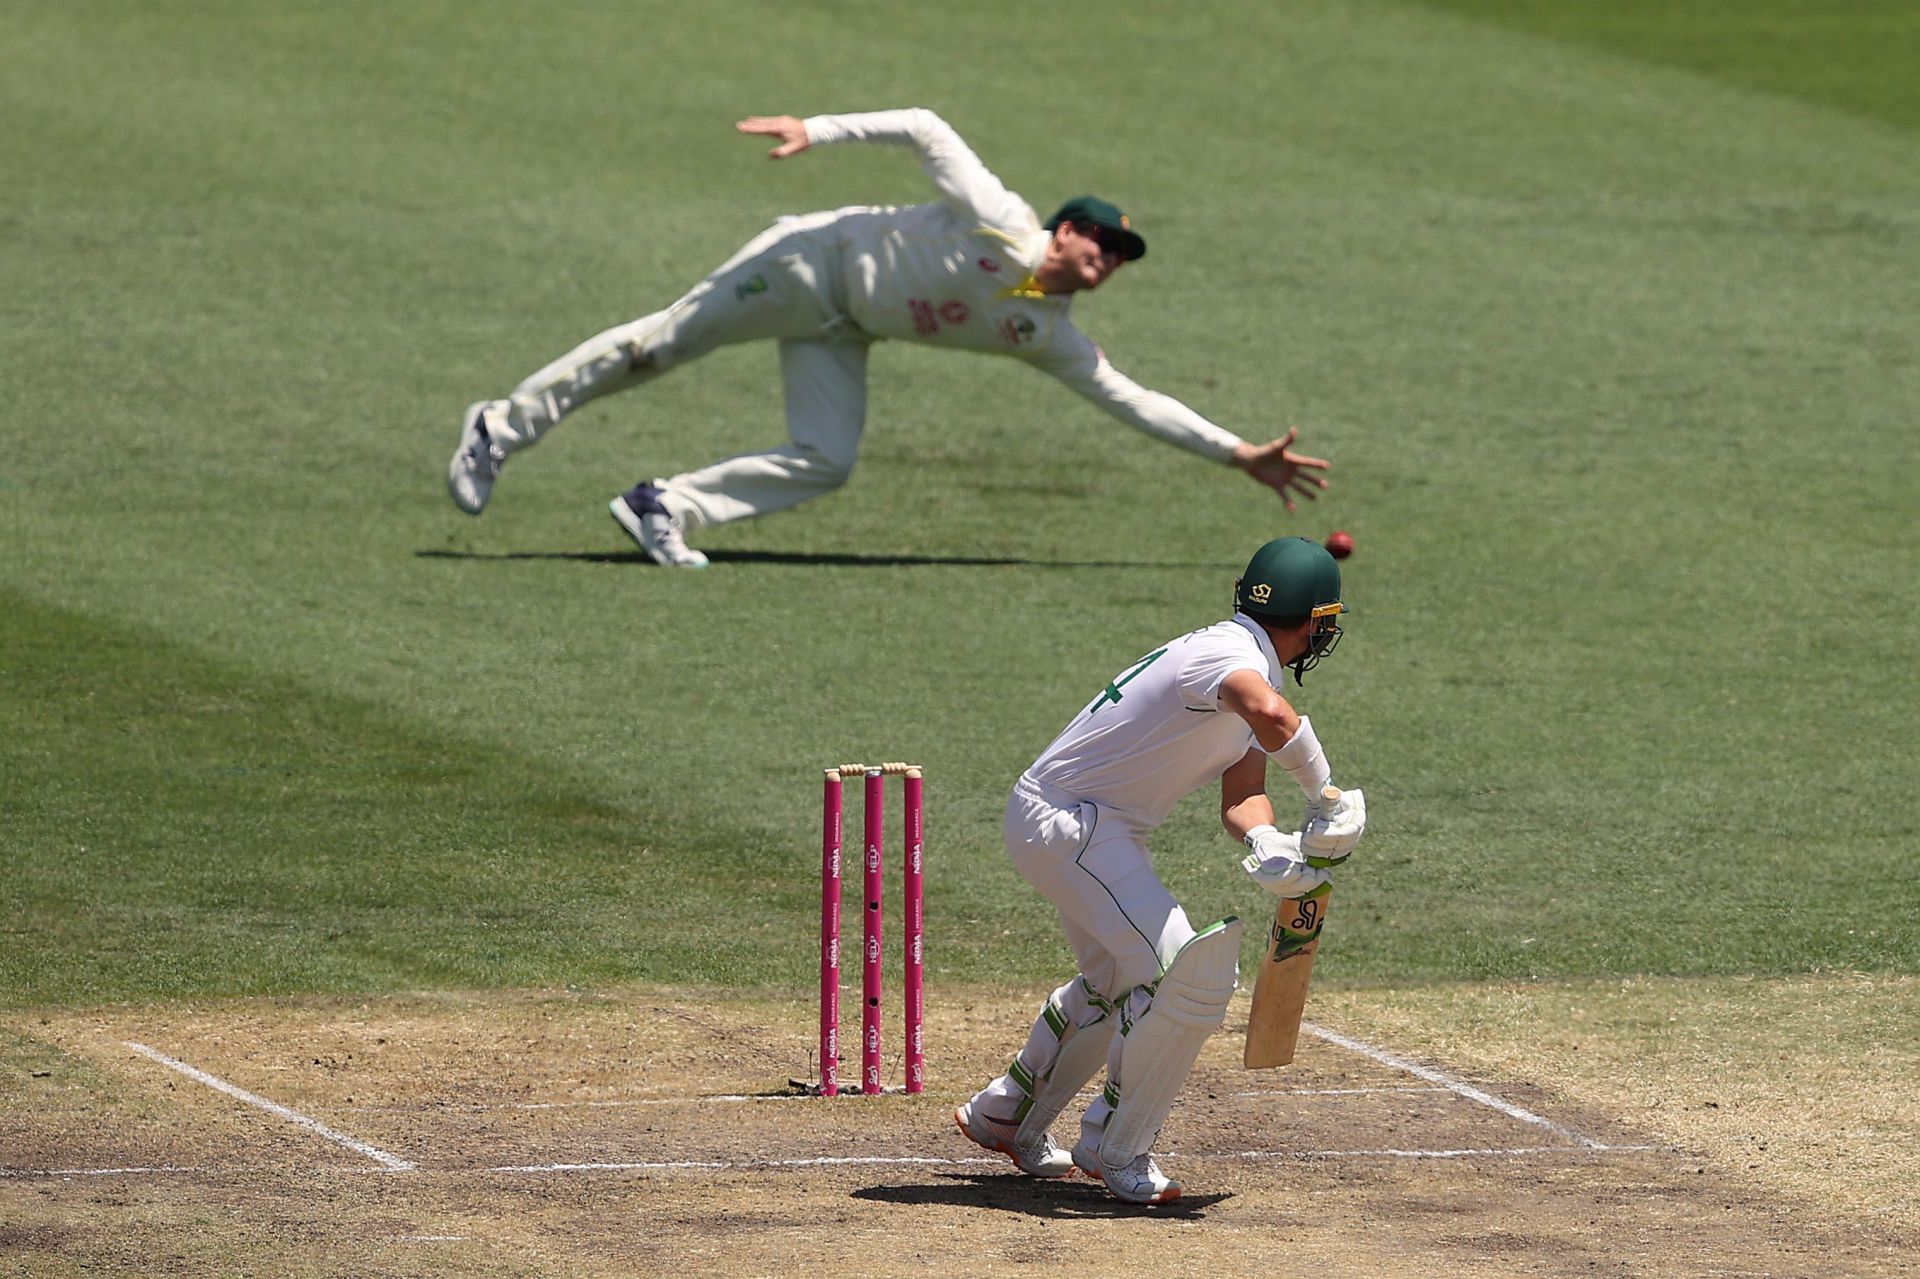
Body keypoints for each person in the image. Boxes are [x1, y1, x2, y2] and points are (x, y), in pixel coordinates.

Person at [446, 108, 1331, 567]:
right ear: (1063, 231)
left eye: (1120, 255)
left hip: (842, 327)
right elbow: (923, 126)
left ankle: (661, 507)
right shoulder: (1001, 223)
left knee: (825, 457)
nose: (1106, 256)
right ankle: (500, 427)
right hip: (806, 264)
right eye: (1098, 238)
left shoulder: (1040, 329)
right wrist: (818, 131)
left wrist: (1236, 454)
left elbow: (1130, 398)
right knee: (659, 348)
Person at [951, 536, 1368, 1204]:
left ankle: (1007, 1111)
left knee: (1119, 975)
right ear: (1312, 621)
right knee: (1184, 977)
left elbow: (1242, 794)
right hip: (1073, 823)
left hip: (1077, 824)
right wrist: (1326, 796)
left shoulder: (1245, 665)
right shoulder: (1230, 660)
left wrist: (1268, 839)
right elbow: (1271, 717)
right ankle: (1115, 1149)